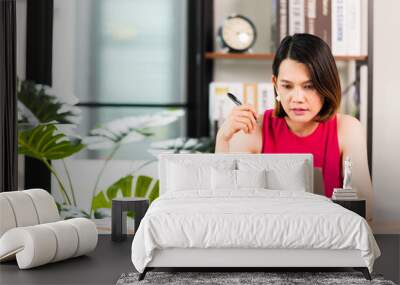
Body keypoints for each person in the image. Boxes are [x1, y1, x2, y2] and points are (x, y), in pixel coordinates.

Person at [215, 33, 373, 221]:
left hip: (330, 241)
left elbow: (366, 210)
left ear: (326, 85)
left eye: (309, 86)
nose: (297, 98)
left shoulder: (347, 129)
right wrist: (223, 139)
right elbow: (227, 207)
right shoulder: (253, 130)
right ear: (275, 85)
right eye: (287, 86)